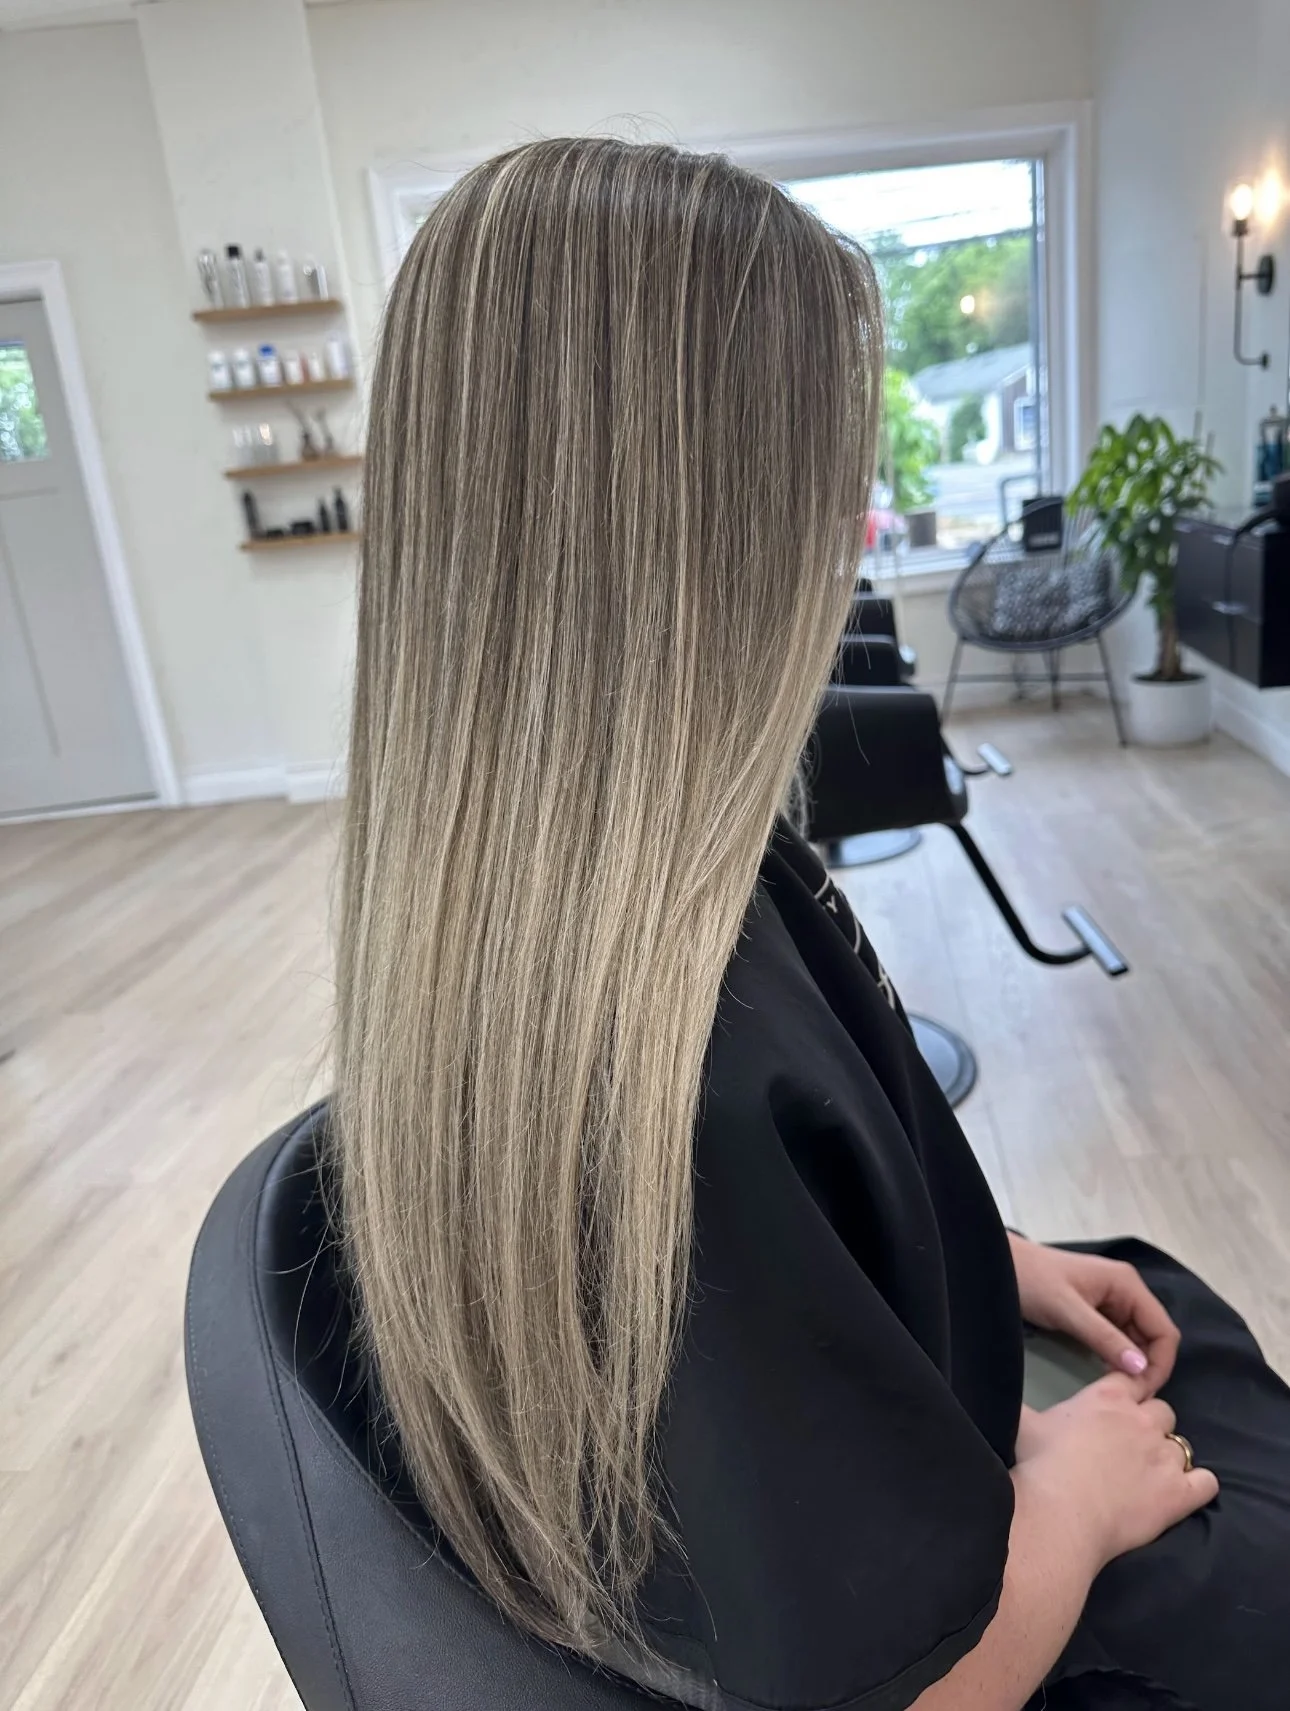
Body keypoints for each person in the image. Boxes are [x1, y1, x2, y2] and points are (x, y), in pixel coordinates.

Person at [332, 137, 1290, 1711]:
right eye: (815, 479)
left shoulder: (575, 932)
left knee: (1161, 1303)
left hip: (909, 1477)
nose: (846, 525)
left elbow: (791, 1268)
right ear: (701, 534)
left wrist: (978, 1251)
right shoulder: (671, 1091)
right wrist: (1065, 1503)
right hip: (985, 1631)